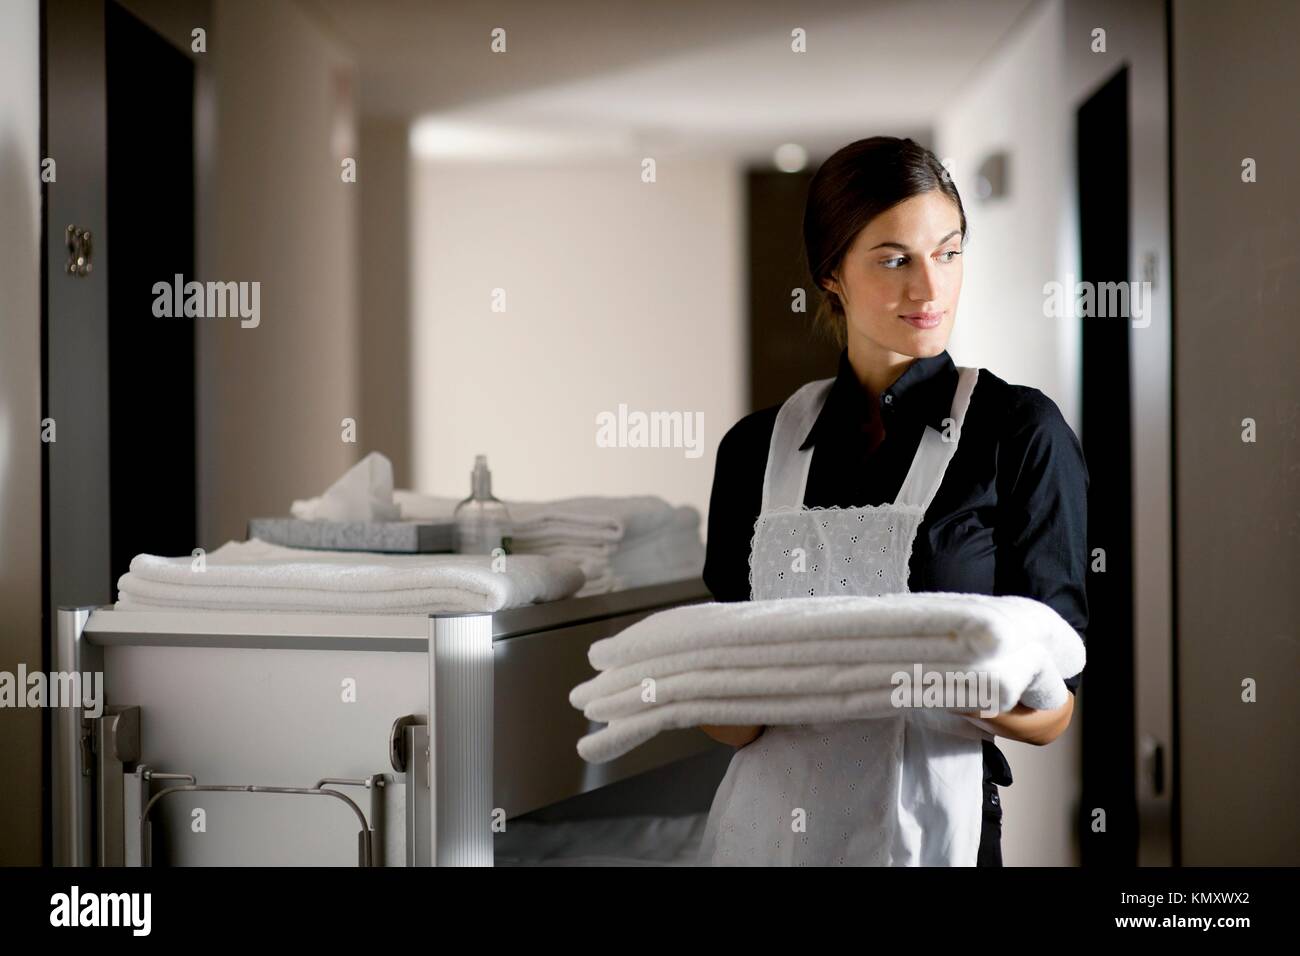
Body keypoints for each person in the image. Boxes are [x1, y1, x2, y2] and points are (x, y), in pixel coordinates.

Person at [697, 136, 1088, 866]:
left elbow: (1053, 709)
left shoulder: (1019, 432)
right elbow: (730, 724)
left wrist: (910, 675)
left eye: (948, 251)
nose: (929, 288)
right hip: (770, 833)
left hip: (940, 828)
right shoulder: (754, 449)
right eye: (893, 258)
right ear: (831, 275)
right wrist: (733, 691)